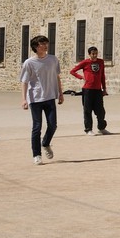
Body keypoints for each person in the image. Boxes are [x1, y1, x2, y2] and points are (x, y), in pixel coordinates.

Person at [20, 34, 63, 164]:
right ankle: (36, 154)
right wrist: (24, 99)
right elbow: (24, 81)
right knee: (37, 127)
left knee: (53, 125)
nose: (45, 46)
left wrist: (60, 93)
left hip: (50, 97)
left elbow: (57, 77)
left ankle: (45, 143)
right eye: (42, 44)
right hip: (35, 98)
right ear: (36, 47)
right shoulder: (29, 63)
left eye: (46, 43)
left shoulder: (53, 60)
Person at [70, 46, 109, 135]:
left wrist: (104, 88)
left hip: (98, 90)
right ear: (89, 54)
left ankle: (101, 128)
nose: (95, 55)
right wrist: (81, 77)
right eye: (93, 54)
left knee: (101, 111)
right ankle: (88, 129)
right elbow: (72, 71)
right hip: (87, 90)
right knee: (87, 110)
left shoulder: (101, 62)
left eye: (96, 53)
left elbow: (102, 75)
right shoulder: (85, 62)